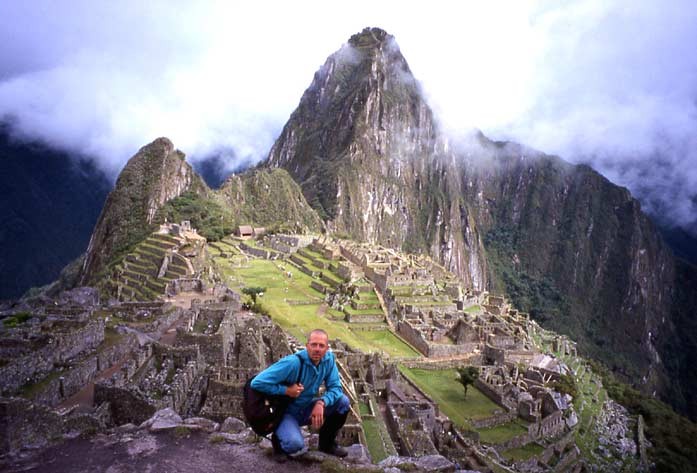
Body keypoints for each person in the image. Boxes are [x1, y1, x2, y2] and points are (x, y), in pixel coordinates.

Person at [251, 329, 350, 460]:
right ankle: (278, 440)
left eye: (321, 346)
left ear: (327, 348)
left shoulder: (329, 360)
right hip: (286, 412)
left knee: (343, 402)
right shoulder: (293, 363)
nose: (317, 349)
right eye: (313, 345)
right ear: (307, 346)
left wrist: (322, 402)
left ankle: (327, 444)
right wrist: (286, 390)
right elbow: (257, 382)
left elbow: (336, 388)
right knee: (295, 445)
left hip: (306, 408)